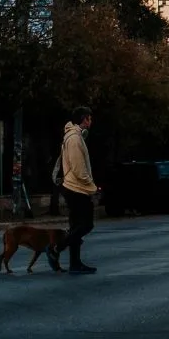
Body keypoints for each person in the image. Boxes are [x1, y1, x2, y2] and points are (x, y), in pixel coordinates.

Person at [47, 107, 98, 275]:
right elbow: (78, 168)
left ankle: (75, 264)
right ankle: (56, 249)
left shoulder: (72, 136)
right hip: (76, 188)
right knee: (86, 225)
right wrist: (91, 186)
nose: (91, 121)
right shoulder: (75, 138)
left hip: (73, 187)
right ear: (84, 119)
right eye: (89, 118)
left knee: (76, 227)